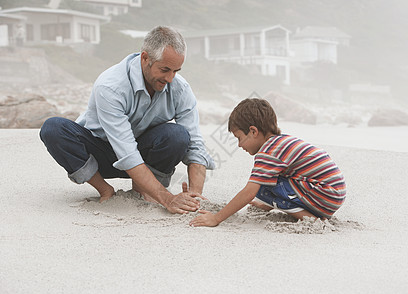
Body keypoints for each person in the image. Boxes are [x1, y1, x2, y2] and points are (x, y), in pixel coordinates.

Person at [40, 26, 215, 214]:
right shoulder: (111, 86)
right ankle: (105, 190)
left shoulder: (180, 89)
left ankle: (143, 192)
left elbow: (196, 146)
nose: (170, 78)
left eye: (176, 71)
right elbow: (127, 153)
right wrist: (168, 199)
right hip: (101, 154)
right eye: (165, 70)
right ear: (145, 58)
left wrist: (195, 196)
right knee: (53, 129)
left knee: (177, 135)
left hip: (145, 155)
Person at [189, 98, 346, 227]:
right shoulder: (280, 142)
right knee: (264, 182)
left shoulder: (268, 151)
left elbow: (249, 191)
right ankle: (299, 209)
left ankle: (311, 219)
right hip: (332, 194)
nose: (239, 145)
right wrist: (269, 204)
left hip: (325, 193)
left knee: (259, 185)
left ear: (253, 131)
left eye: (239, 138)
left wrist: (216, 218)